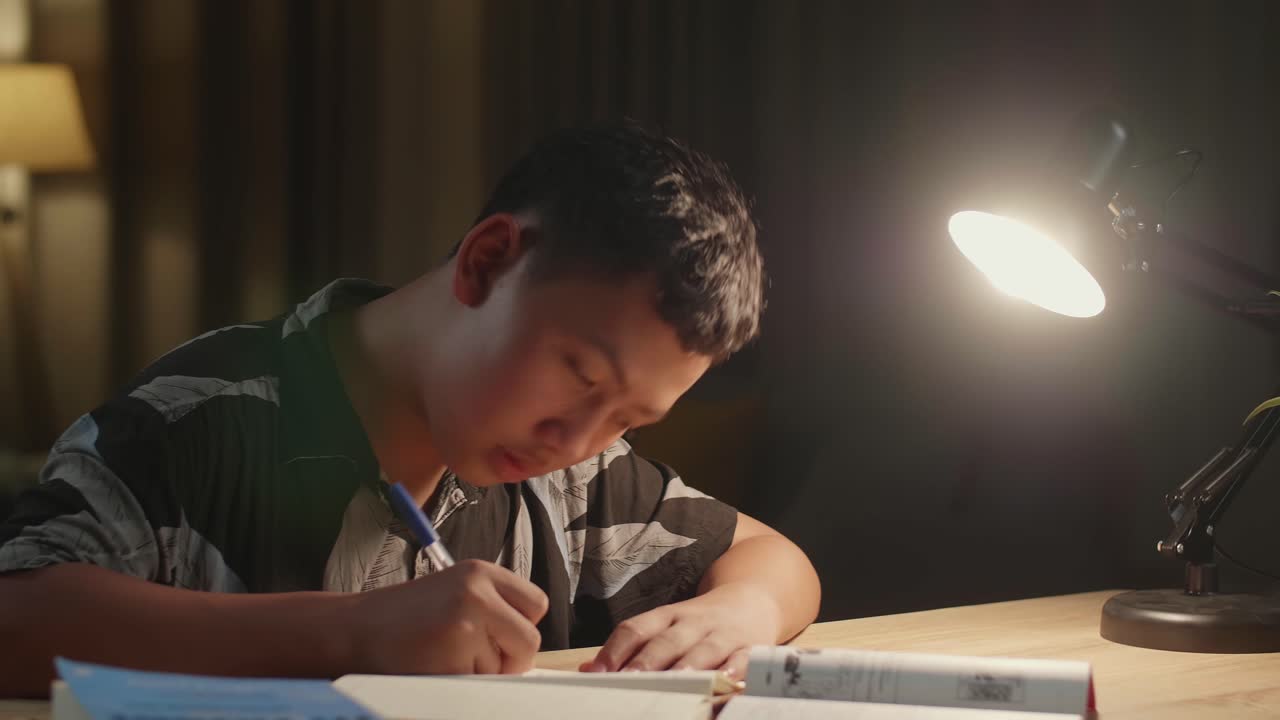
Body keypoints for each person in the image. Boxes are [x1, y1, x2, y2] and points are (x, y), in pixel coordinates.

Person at [0, 123, 820, 698]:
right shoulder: (203, 419)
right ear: (489, 261)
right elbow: (17, 613)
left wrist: (739, 609)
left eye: (628, 421)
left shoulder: (571, 472)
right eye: (576, 372)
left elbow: (769, 557)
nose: (578, 443)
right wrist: (352, 632)